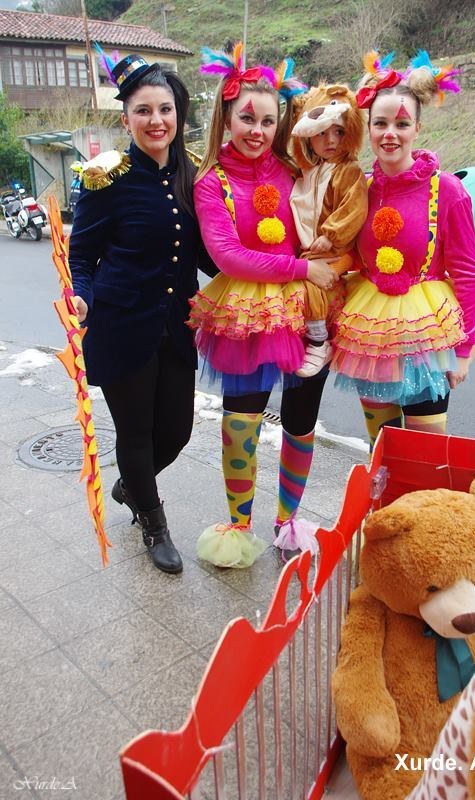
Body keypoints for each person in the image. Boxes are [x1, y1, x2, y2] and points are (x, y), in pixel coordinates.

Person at [187, 44, 338, 567]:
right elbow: (227, 256)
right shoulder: (211, 182)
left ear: (280, 125)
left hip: (307, 312)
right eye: (247, 118)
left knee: (300, 421)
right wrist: (301, 269)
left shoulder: (296, 172)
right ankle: (239, 524)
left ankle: (288, 521)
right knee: (241, 422)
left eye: (268, 121)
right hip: (246, 315)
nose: (257, 130)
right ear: (227, 118)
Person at [69, 52, 217, 574]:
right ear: (126, 118)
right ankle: (154, 524)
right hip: (120, 325)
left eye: (165, 110)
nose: (157, 121)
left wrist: (256, 270)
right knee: (134, 432)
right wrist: (80, 295)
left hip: (176, 324)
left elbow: (206, 253)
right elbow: (81, 256)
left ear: (178, 114)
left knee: (176, 431)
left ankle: (133, 484)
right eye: (144, 111)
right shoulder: (105, 178)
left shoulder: (192, 172)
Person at [331, 50, 475, 449]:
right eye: (380, 123)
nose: (390, 134)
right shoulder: (359, 189)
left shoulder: (447, 190)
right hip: (372, 333)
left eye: (401, 124)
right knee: (382, 449)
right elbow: (347, 254)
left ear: (417, 127)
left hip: (427, 337)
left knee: (425, 452)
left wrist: (463, 350)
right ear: (368, 127)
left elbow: (467, 272)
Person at [289, 83, 368, 376]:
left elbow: (353, 208)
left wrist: (330, 234)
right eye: (321, 132)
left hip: (336, 249)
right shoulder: (310, 171)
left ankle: (318, 340)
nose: (331, 140)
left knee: (313, 283)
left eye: (339, 131)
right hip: (313, 250)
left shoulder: (349, 171)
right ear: (308, 138)